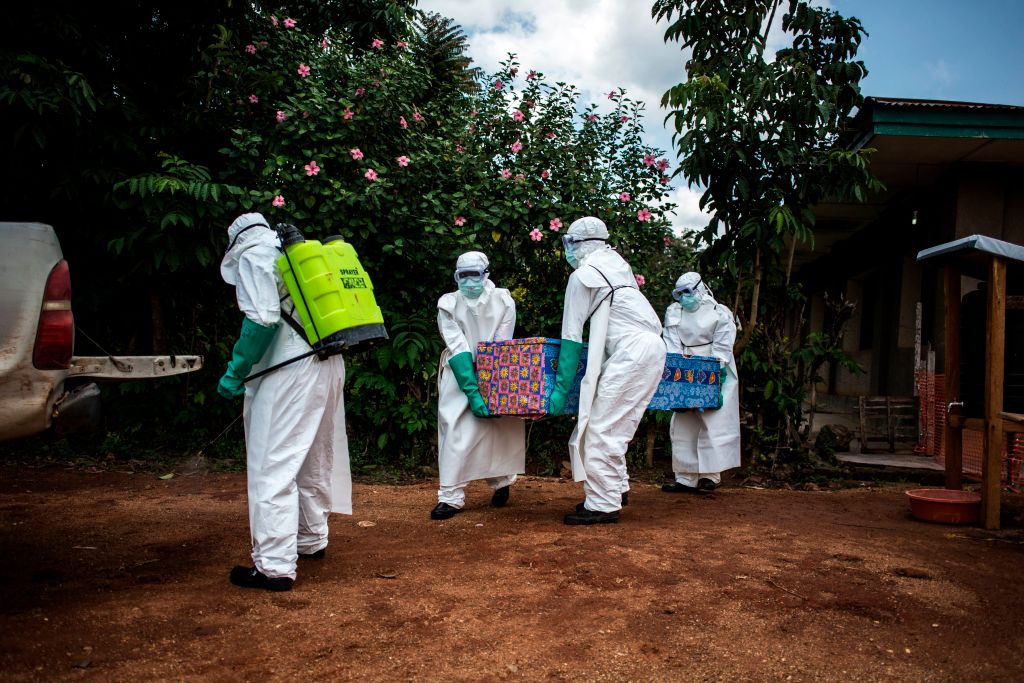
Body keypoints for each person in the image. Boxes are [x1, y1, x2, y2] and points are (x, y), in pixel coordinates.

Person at [217, 212, 351, 591]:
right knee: (313, 456)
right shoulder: (296, 253)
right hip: (328, 360)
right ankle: (311, 538)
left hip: (292, 369)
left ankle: (273, 566)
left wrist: (236, 370)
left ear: (236, 244)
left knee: (272, 464)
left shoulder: (254, 256)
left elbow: (261, 320)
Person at [549, 217, 666, 525]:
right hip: (651, 347)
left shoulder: (584, 275)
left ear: (577, 243)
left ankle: (602, 505)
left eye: (568, 243)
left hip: (632, 353)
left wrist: (560, 390)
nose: (567, 251)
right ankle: (616, 489)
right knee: (615, 426)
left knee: (601, 429)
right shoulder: (618, 266)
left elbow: (571, 336)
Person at [432, 251, 526, 520]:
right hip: (458, 373)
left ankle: (502, 480)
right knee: (454, 429)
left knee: (496, 430)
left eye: (474, 275)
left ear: (486, 274)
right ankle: (450, 497)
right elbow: (457, 346)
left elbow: (501, 343)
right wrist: (472, 391)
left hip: (496, 369)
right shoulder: (448, 304)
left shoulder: (503, 300)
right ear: (456, 276)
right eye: (463, 276)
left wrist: (490, 384)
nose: (469, 281)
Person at [661, 272, 740, 493]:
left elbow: (723, 345)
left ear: (700, 289)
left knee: (712, 421)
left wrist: (715, 373)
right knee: (683, 421)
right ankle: (685, 477)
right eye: (679, 294)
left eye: (688, 292)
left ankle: (710, 475)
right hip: (684, 367)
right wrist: (677, 370)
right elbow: (671, 343)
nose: (684, 298)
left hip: (713, 366)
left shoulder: (719, 312)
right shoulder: (674, 312)